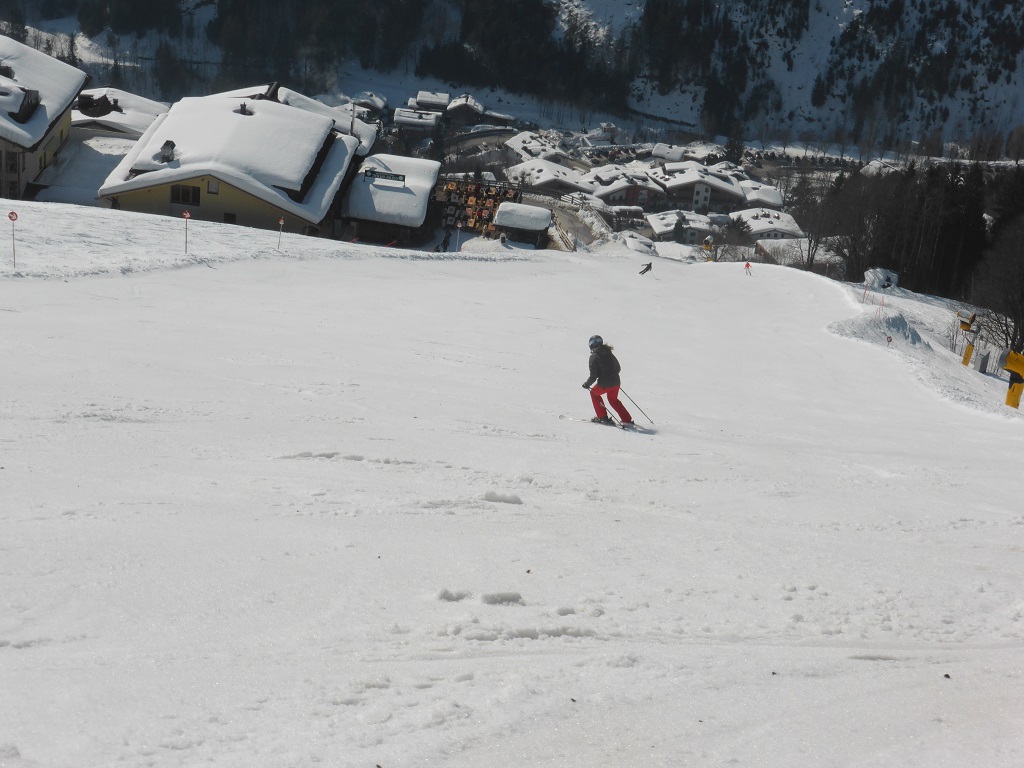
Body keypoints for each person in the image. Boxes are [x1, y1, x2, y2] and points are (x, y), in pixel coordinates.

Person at [582, 335, 633, 425]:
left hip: (605, 384)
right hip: (616, 382)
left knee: (594, 393)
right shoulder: (609, 353)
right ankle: (627, 419)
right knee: (613, 400)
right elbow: (618, 368)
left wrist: (587, 384)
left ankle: (602, 417)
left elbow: (593, 376)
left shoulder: (594, 357)